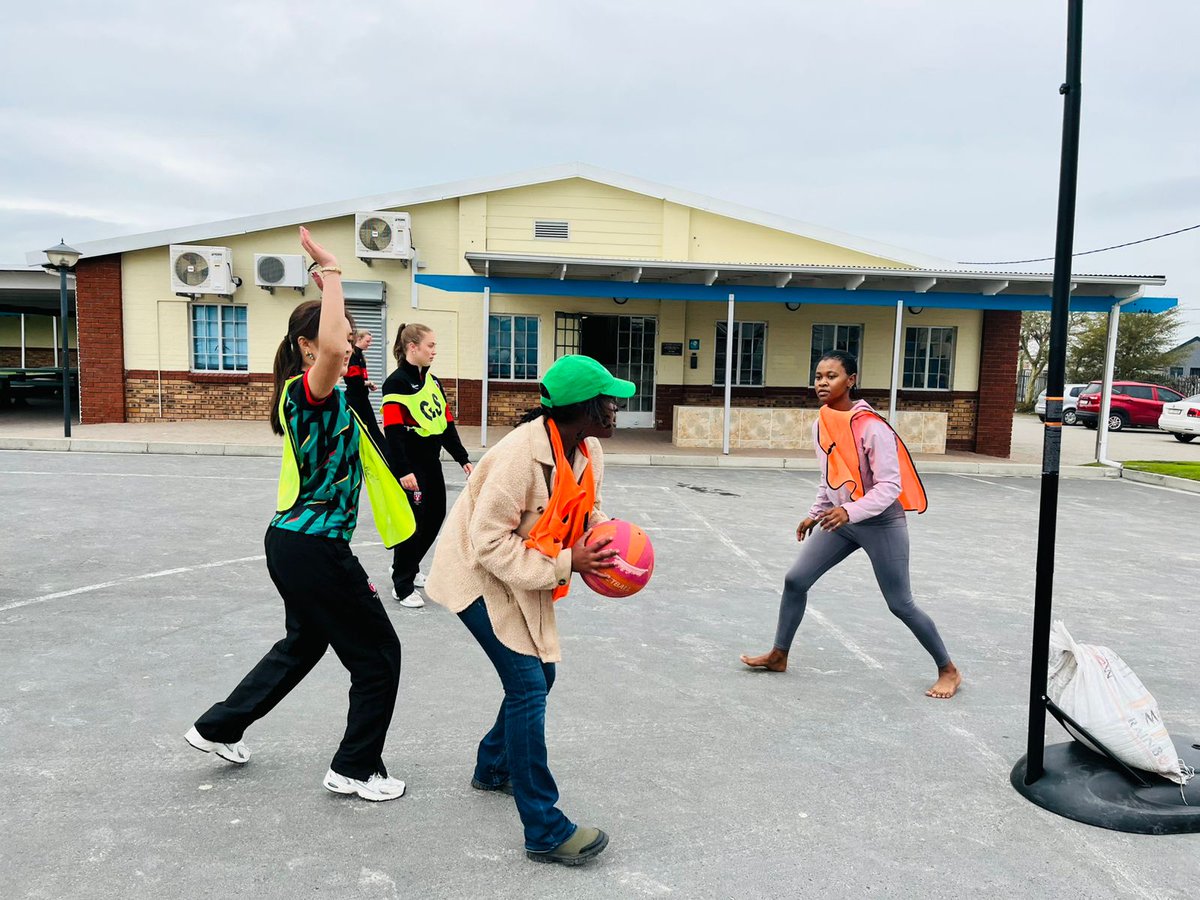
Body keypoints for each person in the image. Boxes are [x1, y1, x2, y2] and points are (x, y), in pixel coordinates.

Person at [185, 226, 415, 801]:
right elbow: (337, 351)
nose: (351, 342)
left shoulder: (331, 394)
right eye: (336, 336)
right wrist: (333, 272)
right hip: (313, 547)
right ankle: (355, 768)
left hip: (295, 543)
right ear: (310, 347)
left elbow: (357, 421)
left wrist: (400, 477)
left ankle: (218, 726)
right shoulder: (305, 391)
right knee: (380, 656)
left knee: (303, 644)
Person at [424, 354, 634, 866]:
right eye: (609, 399)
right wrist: (569, 563)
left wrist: (604, 543)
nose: (617, 407)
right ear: (584, 407)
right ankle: (544, 828)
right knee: (528, 687)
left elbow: (586, 509)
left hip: (518, 572)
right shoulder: (519, 456)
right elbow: (488, 543)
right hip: (477, 574)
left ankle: (493, 767)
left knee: (542, 676)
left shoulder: (587, 448)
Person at [740, 350, 962, 700]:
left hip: (881, 522)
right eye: (818, 376)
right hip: (842, 518)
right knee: (795, 580)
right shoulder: (822, 423)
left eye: (832, 376)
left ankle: (948, 669)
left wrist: (849, 511)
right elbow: (830, 476)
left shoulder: (872, 427)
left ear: (851, 380)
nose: (823, 383)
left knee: (900, 603)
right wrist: (817, 512)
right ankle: (779, 654)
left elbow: (890, 487)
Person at [381, 323, 472, 609]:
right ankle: (402, 584)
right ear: (413, 348)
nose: (434, 350)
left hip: (432, 462)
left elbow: (446, 425)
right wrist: (403, 471)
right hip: (411, 465)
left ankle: (408, 566)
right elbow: (393, 433)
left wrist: (463, 458)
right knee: (414, 524)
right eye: (430, 345)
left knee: (435, 516)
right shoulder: (395, 383)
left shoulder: (432, 382)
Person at [343, 330, 384, 451]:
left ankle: (380, 450)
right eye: (367, 341)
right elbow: (353, 381)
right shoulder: (354, 356)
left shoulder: (360, 356)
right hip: (354, 399)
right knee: (367, 427)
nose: (369, 344)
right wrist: (367, 383)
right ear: (359, 339)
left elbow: (360, 379)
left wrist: (367, 384)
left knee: (371, 426)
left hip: (361, 397)